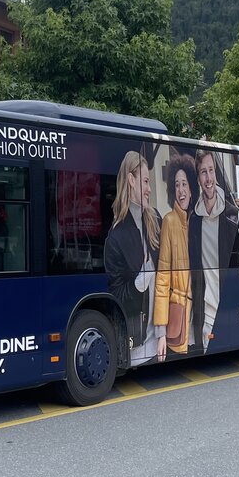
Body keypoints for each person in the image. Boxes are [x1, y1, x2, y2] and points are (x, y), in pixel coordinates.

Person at [104, 150, 162, 366]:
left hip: (164, 337)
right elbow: (116, 295)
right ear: (130, 180)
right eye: (145, 181)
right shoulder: (116, 238)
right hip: (138, 344)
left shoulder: (155, 219)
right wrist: (140, 281)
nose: (149, 189)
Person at [188, 149, 238, 354]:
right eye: (203, 172)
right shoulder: (194, 220)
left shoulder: (232, 215)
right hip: (206, 306)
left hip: (229, 301)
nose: (208, 178)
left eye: (211, 170)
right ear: (198, 178)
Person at [155, 152, 196, 360]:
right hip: (181, 314)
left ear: (192, 188)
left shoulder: (199, 221)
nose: (181, 190)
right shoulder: (169, 221)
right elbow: (162, 278)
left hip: (201, 316)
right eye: (177, 184)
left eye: (185, 184)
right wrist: (161, 332)